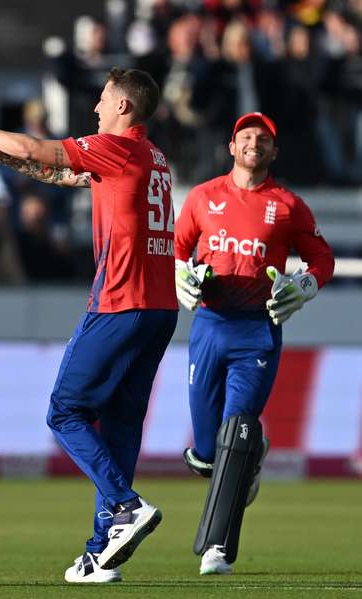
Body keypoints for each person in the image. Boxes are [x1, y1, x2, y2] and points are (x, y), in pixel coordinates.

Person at [0, 67, 178, 584]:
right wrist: (0, 154)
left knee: (64, 411)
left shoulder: (113, 147)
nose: (96, 108)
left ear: (123, 107)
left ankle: (124, 505)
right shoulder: (152, 158)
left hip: (120, 302)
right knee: (120, 426)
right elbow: (63, 174)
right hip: (160, 309)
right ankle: (101, 552)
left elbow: (38, 149)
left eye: (102, 99)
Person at [174, 111, 334, 575]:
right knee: (206, 453)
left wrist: (302, 287)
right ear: (231, 147)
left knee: (234, 436)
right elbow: (178, 249)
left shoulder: (287, 205)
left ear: (273, 152)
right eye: (246, 137)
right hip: (209, 326)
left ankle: (216, 549)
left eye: (263, 139)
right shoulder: (203, 197)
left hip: (257, 331)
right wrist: (183, 277)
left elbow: (321, 258)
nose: (254, 144)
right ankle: (248, 455)